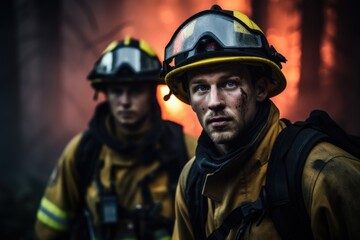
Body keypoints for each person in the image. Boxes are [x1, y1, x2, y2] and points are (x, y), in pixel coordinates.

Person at [161, 4, 360, 240]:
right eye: (201, 88)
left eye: (229, 84)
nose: (214, 102)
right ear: (190, 99)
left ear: (260, 89)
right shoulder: (193, 179)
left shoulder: (325, 174)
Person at [34, 36, 197, 240]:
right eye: (117, 91)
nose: (125, 102)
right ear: (105, 93)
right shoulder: (82, 152)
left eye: (135, 91)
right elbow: (48, 229)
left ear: (152, 92)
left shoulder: (186, 150)